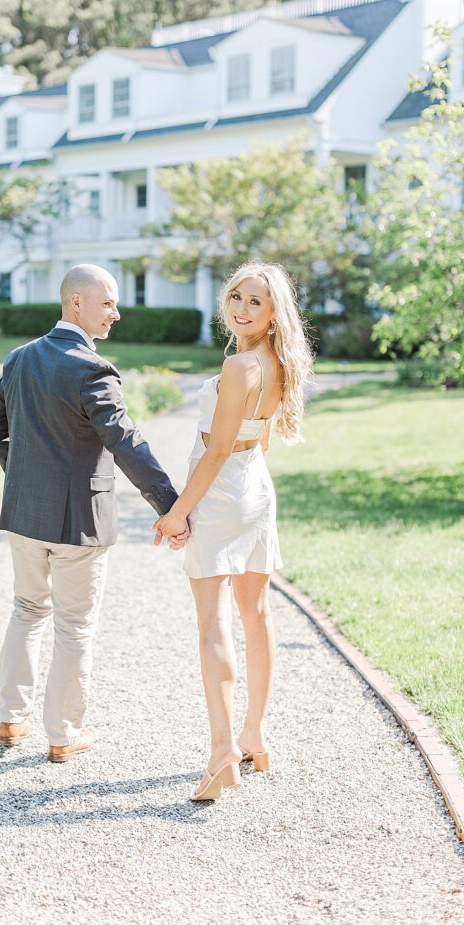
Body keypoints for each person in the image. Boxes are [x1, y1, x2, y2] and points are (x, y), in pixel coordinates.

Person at [0, 264, 188, 763]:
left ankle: (11, 719)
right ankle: (64, 733)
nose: (116, 314)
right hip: (79, 523)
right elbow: (126, 442)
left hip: (26, 516)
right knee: (74, 626)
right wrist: (172, 506)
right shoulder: (92, 368)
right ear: (77, 302)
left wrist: (26, 479)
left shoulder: (19, 359)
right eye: (108, 303)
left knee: (26, 611)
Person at [153, 261, 313, 800]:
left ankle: (223, 752)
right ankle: (255, 735)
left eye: (255, 303)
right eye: (237, 298)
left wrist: (178, 512)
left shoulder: (241, 366)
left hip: (223, 489)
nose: (241, 309)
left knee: (213, 621)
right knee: (257, 611)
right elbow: (257, 439)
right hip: (255, 487)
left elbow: (217, 449)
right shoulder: (277, 362)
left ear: (272, 316)